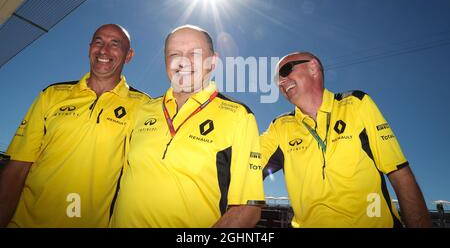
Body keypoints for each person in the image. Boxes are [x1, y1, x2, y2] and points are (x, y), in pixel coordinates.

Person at [110, 25, 265, 228]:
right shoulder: (140, 110)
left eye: (195, 53)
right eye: (174, 54)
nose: (183, 61)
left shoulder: (238, 117)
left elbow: (248, 210)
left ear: (213, 62)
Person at [0, 24, 150, 227]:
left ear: (128, 55)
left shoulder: (144, 106)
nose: (104, 50)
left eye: (115, 44)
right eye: (98, 42)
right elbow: (17, 167)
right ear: (90, 49)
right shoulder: (52, 95)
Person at [261, 51, 431, 228]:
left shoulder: (356, 104)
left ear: (313, 68)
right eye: (276, 80)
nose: (280, 82)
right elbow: (244, 166)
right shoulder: (279, 127)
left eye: (286, 70)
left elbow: (399, 174)